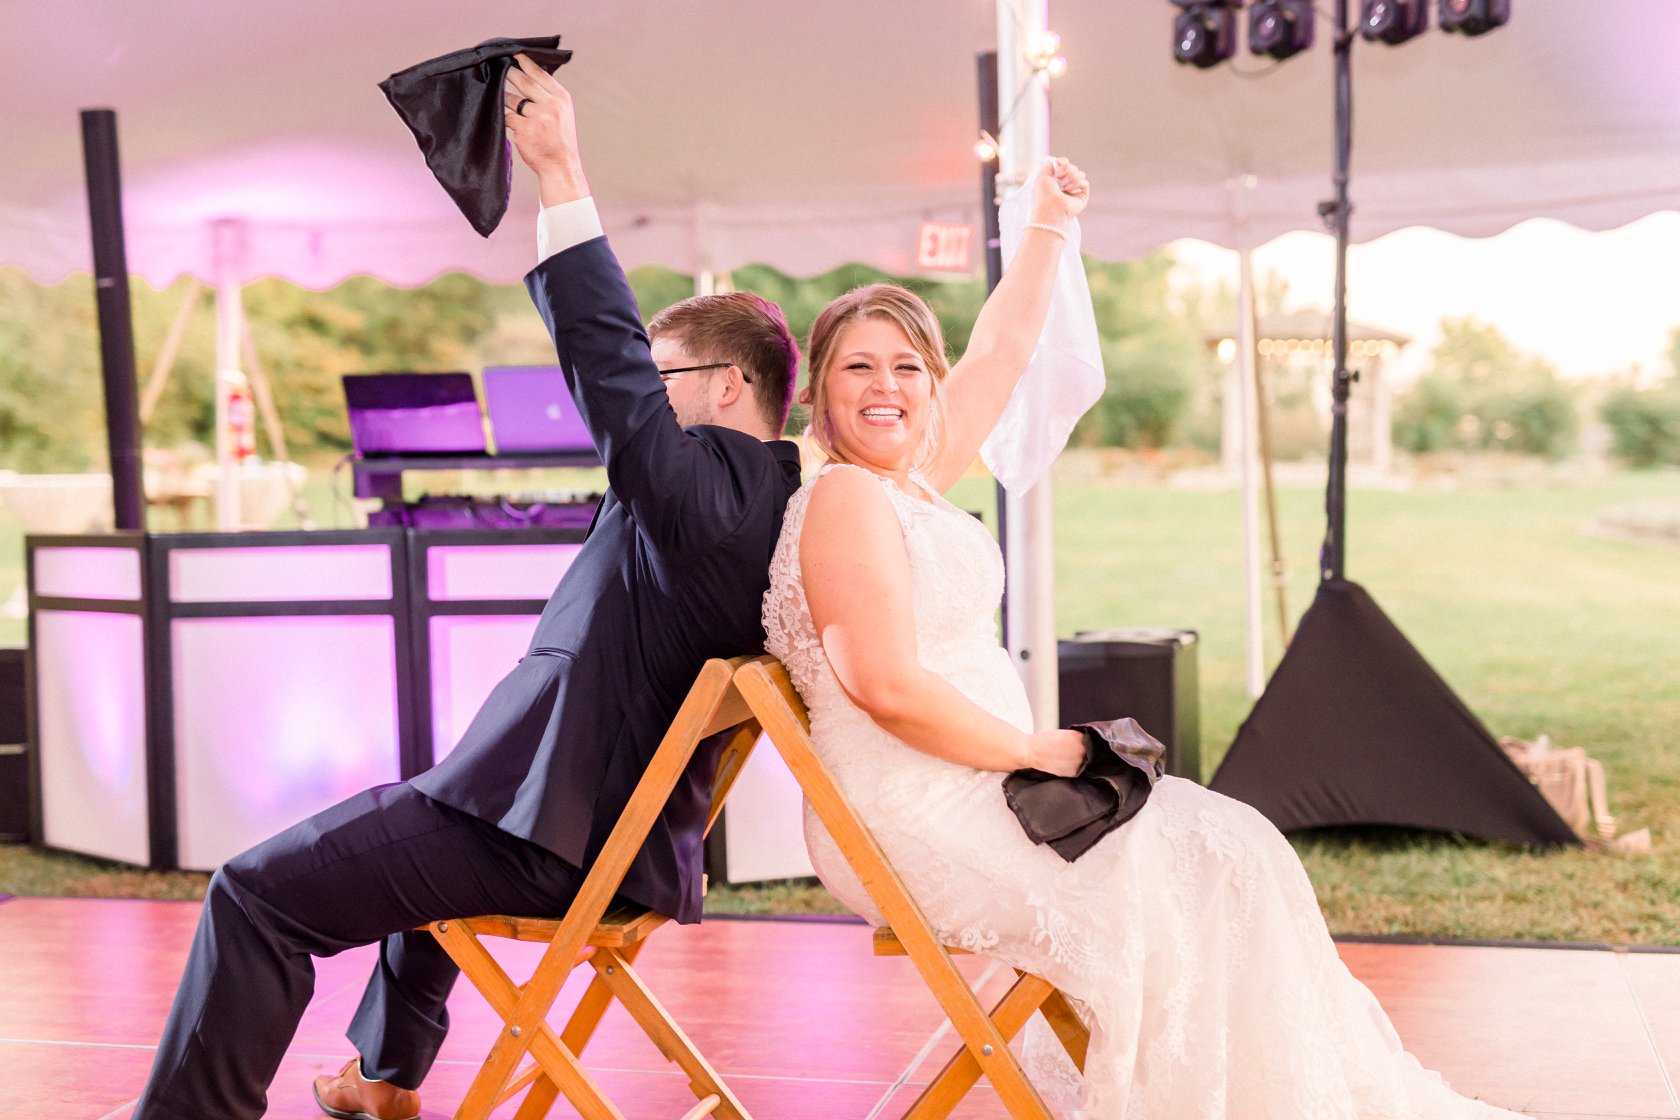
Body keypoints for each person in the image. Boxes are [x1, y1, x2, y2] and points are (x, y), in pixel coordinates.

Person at [761, 167, 1531, 1116]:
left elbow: (1002, 350)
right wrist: (1041, 751)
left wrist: (1049, 222)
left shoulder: (908, 480)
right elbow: (883, 685)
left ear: (930, 383)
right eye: (859, 367)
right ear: (822, 392)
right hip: (912, 810)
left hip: (980, 782)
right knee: (1205, 869)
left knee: (1235, 850)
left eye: (908, 366)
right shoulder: (844, 497)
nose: (887, 387)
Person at [131, 57, 802, 1120]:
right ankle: (384, 1079)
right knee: (426, 806)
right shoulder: (759, 497)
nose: (636, 396)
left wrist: (560, 174)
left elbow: (607, 368)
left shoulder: (719, 486)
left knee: (252, 894)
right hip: (553, 817)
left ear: (725, 388)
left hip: (557, 845)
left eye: (658, 374)